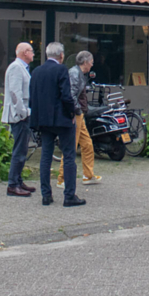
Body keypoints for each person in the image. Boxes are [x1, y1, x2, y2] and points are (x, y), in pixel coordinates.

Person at [29, 42, 86, 207]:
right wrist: (72, 114)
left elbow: (32, 97)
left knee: (45, 156)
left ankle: (46, 195)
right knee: (68, 155)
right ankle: (69, 196)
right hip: (61, 119)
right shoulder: (61, 70)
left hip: (44, 120)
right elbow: (66, 96)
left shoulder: (36, 71)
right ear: (61, 56)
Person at [58, 50, 101, 188]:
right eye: (91, 62)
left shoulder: (78, 73)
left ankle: (88, 175)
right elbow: (71, 95)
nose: (92, 65)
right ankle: (62, 178)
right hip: (76, 114)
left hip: (79, 114)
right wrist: (76, 111)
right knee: (71, 146)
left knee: (87, 144)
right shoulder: (75, 74)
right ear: (85, 62)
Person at [1, 42, 36, 198]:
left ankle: (18, 180)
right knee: (19, 150)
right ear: (24, 53)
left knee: (22, 149)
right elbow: (15, 93)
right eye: (31, 51)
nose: (34, 54)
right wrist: (23, 113)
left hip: (22, 113)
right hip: (19, 116)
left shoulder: (22, 68)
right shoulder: (16, 68)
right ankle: (13, 184)